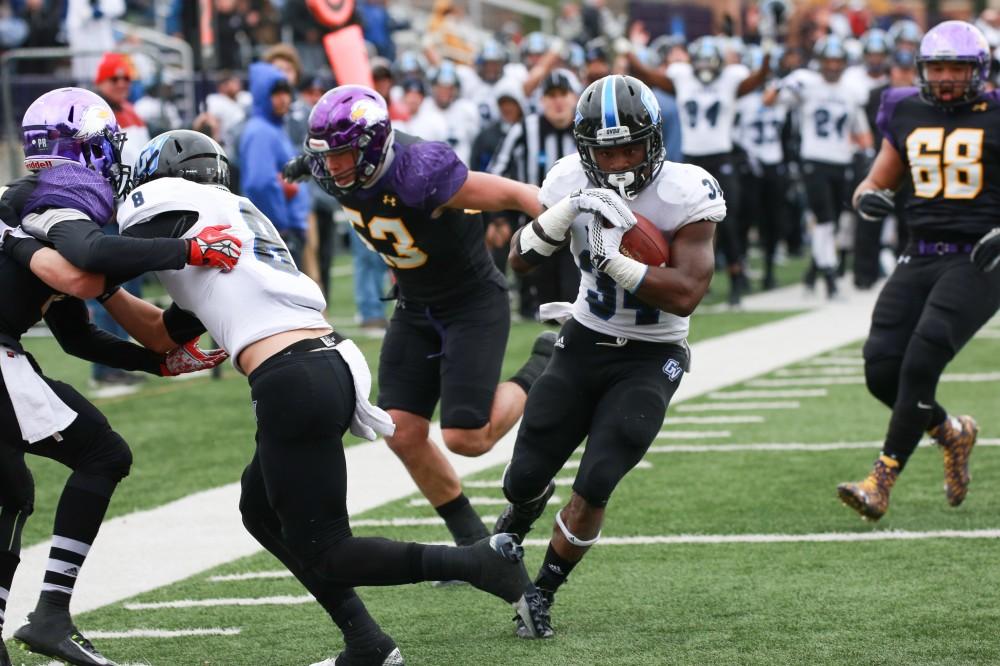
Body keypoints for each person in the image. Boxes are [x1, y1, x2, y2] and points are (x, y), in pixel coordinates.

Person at [109, 129, 546, 665]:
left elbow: (97, 256)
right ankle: (366, 641)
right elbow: (159, 333)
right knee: (261, 507)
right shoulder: (224, 226)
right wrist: (106, 289)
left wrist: (47, 236)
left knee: (330, 551)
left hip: (294, 376)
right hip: (320, 362)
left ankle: (479, 563)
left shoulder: (174, 205)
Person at [282, 85, 581, 551]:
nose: (334, 166)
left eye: (344, 154)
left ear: (374, 146)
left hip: (470, 302)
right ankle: (472, 542)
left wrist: (567, 226)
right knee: (400, 432)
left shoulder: (419, 172)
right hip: (414, 304)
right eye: (325, 156)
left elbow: (515, 192)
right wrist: (307, 164)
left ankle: (540, 365)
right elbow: (326, 163)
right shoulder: (330, 169)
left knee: (467, 437)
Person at [0, 88, 235, 666]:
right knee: (101, 452)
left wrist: (159, 361)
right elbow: (88, 249)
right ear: (91, 148)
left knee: (11, 493)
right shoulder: (56, 193)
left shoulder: (28, 199)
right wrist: (187, 248)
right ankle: (52, 614)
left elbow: (77, 333)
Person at [495, 74, 725, 638]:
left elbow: (690, 290)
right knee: (523, 476)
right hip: (585, 337)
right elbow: (518, 263)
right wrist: (562, 212)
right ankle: (518, 518)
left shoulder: (686, 191)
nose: (620, 162)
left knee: (597, 479)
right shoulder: (568, 180)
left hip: (653, 352)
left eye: (630, 147)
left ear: (654, 140)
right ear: (584, 149)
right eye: (606, 150)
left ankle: (542, 590)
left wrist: (618, 262)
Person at [837, 21, 1000, 521]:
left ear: (980, 71)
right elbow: (873, 183)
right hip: (919, 252)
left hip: (980, 256)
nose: (947, 77)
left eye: (958, 68)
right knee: (881, 368)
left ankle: (881, 478)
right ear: (922, 70)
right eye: (938, 67)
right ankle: (951, 431)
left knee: (921, 359)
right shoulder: (904, 108)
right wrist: (869, 200)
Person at [625, 35, 770, 305]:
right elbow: (650, 77)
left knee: (728, 220)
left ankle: (737, 276)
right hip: (692, 160)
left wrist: (768, 59)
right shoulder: (681, 77)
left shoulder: (731, 78)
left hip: (721, 156)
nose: (705, 68)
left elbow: (756, 80)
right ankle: (693, 277)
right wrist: (630, 50)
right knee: (687, 222)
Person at [765, 35, 872, 299]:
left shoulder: (850, 90)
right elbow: (768, 101)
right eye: (829, 61)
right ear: (820, 63)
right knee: (824, 222)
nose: (834, 66)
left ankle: (812, 274)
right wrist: (783, 83)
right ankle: (831, 280)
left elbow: (862, 132)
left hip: (842, 162)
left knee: (833, 224)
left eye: (838, 61)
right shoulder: (807, 84)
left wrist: (866, 152)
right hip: (814, 161)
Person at [490, 69, 582, 320]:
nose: (558, 101)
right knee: (543, 307)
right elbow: (497, 171)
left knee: (574, 298)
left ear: (575, 97)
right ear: (541, 101)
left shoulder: (587, 126)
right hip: (534, 221)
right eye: (551, 95)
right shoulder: (525, 129)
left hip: (580, 223)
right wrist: (498, 217)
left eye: (563, 94)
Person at [239, 61, 310, 268]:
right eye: (276, 93)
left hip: (283, 229)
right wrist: (280, 227)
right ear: (262, 95)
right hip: (277, 233)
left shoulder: (274, 127)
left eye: (286, 92)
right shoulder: (261, 131)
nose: (283, 99)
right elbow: (260, 183)